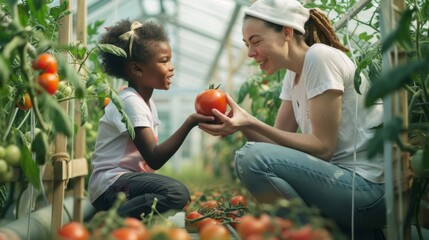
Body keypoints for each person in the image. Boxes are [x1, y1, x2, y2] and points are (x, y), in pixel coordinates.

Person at [199, 0, 386, 239]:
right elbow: (271, 146)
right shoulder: (293, 74)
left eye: (256, 41)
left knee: (249, 158)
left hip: (367, 192)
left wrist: (251, 122)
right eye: (246, 44)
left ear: (287, 32)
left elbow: (323, 147)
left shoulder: (320, 58)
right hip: (340, 187)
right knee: (252, 155)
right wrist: (240, 123)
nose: (250, 53)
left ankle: (318, 234)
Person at [88, 19, 214, 219]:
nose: (171, 67)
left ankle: (127, 219)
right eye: (164, 61)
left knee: (176, 193)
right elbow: (154, 158)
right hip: (110, 186)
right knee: (176, 193)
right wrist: (191, 122)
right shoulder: (130, 101)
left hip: (123, 184)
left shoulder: (146, 102)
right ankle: (109, 220)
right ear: (137, 69)